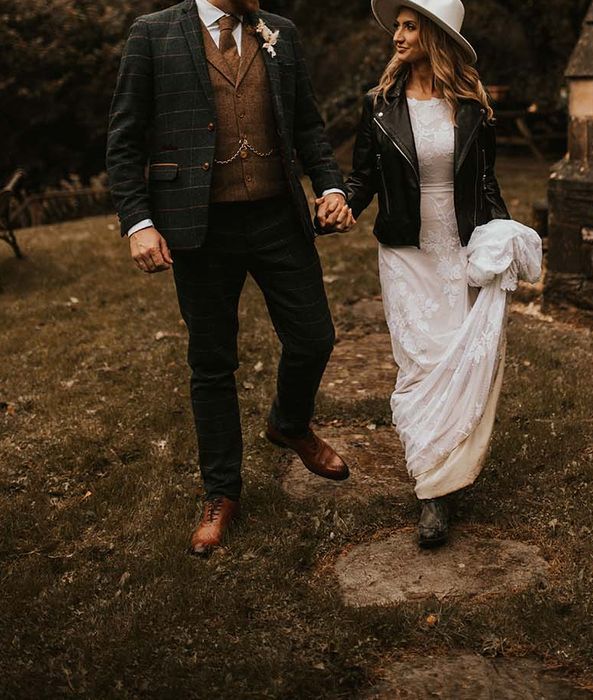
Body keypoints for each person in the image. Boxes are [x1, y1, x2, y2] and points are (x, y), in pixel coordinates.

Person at [106, 0, 355, 556]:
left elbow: (309, 125)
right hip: (199, 227)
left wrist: (332, 187)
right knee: (212, 362)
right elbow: (125, 139)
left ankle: (289, 423)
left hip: (276, 218)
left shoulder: (280, 33)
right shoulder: (152, 34)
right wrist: (139, 222)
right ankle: (222, 494)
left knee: (315, 337)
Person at [342, 0, 541, 547]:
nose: (397, 36)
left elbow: (486, 183)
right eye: (399, 27)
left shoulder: (472, 106)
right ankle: (431, 492)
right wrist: (343, 205)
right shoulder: (379, 105)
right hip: (406, 252)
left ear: (434, 37)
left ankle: (444, 481)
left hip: (459, 249)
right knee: (419, 364)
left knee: (459, 361)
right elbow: (363, 177)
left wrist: (498, 237)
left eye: (409, 27)